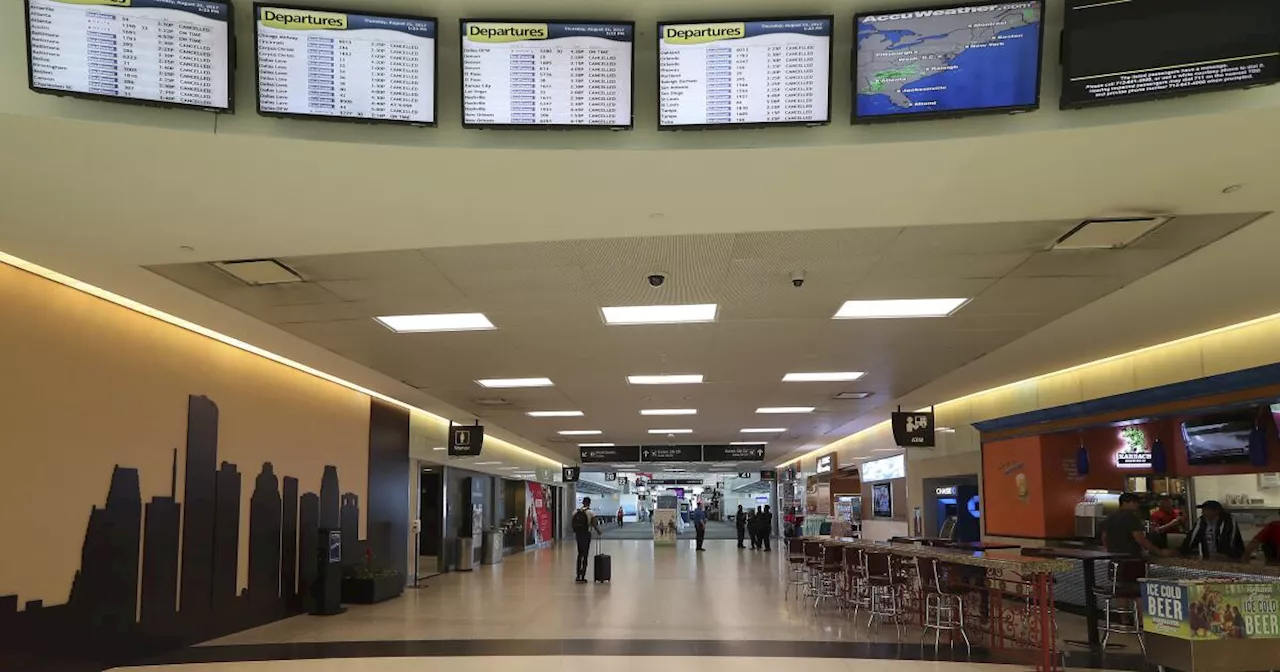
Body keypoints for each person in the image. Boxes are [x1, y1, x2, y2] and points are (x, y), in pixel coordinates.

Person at [1103, 493, 1169, 556]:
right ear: (1125, 503)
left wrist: (1110, 551)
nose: (1137, 504)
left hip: (1114, 556)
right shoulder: (1131, 517)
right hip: (1130, 556)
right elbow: (1140, 538)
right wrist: (1158, 552)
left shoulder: (1110, 516)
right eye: (1134, 502)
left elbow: (1104, 537)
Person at [1181, 500, 1246, 559]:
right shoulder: (1201, 521)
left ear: (1216, 511)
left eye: (1206, 510)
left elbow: (1229, 539)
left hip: (1230, 558)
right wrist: (1183, 551)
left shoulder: (1228, 520)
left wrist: (1225, 555)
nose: (1203, 512)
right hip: (1209, 558)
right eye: (1203, 510)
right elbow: (1192, 537)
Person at [572, 497, 600, 583]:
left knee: (579, 554)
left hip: (578, 534)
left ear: (583, 502)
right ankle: (583, 575)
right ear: (589, 503)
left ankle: (577, 575)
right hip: (586, 534)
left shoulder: (576, 511)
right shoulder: (591, 512)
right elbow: (594, 524)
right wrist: (598, 531)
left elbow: (572, 523)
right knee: (585, 554)